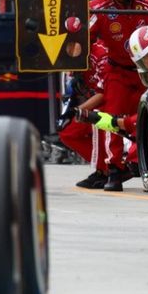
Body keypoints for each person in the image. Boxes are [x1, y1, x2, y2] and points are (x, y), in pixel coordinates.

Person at [83, 0, 147, 191]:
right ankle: (113, 168)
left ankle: (139, 160)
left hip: (146, 71)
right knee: (110, 114)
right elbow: (81, 41)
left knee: (147, 114)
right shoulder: (97, 8)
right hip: (116, 70)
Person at [60, 41, 109, 188]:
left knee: (97, 118)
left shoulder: (101, 54)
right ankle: (105, 166)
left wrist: (78, 110)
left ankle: (106, 170)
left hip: (113, 101)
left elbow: (105, 93)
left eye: (72, 44)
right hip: (94, 104)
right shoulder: (70, 61)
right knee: (67, 132)